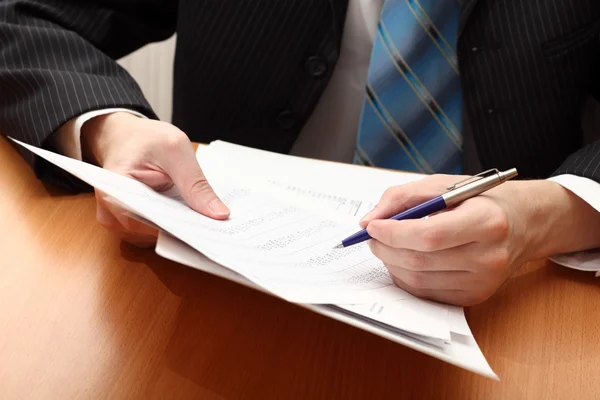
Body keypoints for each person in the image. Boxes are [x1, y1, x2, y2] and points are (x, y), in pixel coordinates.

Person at [1, 0, 599, 306]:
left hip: (521, 306)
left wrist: (549, 212)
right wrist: (109, 127)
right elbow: (23, 13)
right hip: (214, 296)